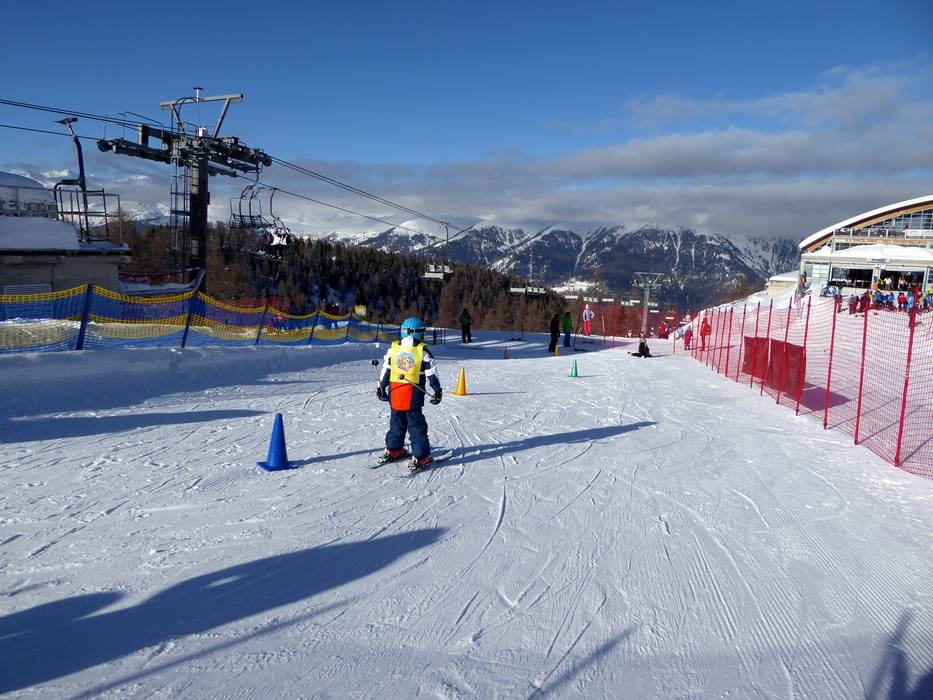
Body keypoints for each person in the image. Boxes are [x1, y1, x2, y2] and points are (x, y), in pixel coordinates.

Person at [376, 317, 443, 470]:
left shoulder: (393, 349)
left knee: (396, 423)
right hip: (412, 396)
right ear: (418, 333)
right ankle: (422, 457)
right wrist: (437, 391)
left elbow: (386, 370)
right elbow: (432, 373)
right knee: (416, 426)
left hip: (395, 395)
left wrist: (380, 388)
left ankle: (394, 450)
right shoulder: (422, 351)